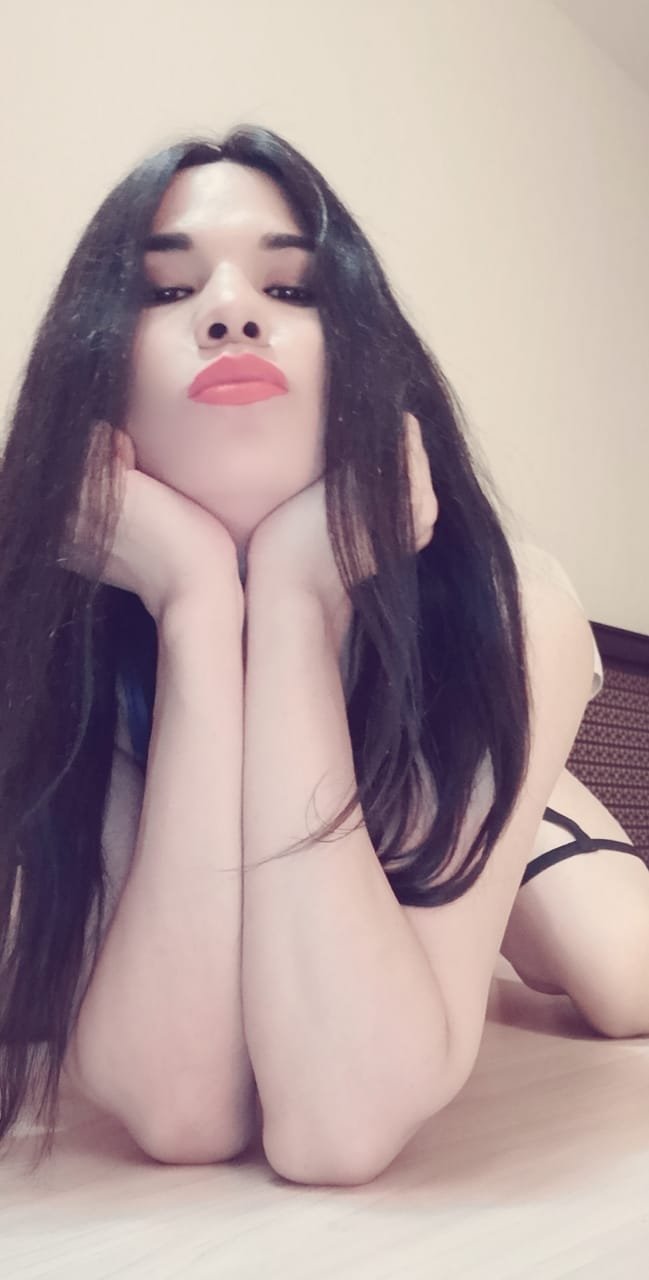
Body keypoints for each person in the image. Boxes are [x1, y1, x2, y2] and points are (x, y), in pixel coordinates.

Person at [1, 125, 647, 1184]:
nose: (230, 311)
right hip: (271, 858)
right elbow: (182, 1106)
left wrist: (300, 601)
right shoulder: (65, 646)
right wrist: (195, 603)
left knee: (621, 978)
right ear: (95, 391)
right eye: (166, 292)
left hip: (438, 784)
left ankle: (520, 839)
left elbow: (339, 1124)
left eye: (292, 288)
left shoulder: (510, 611)